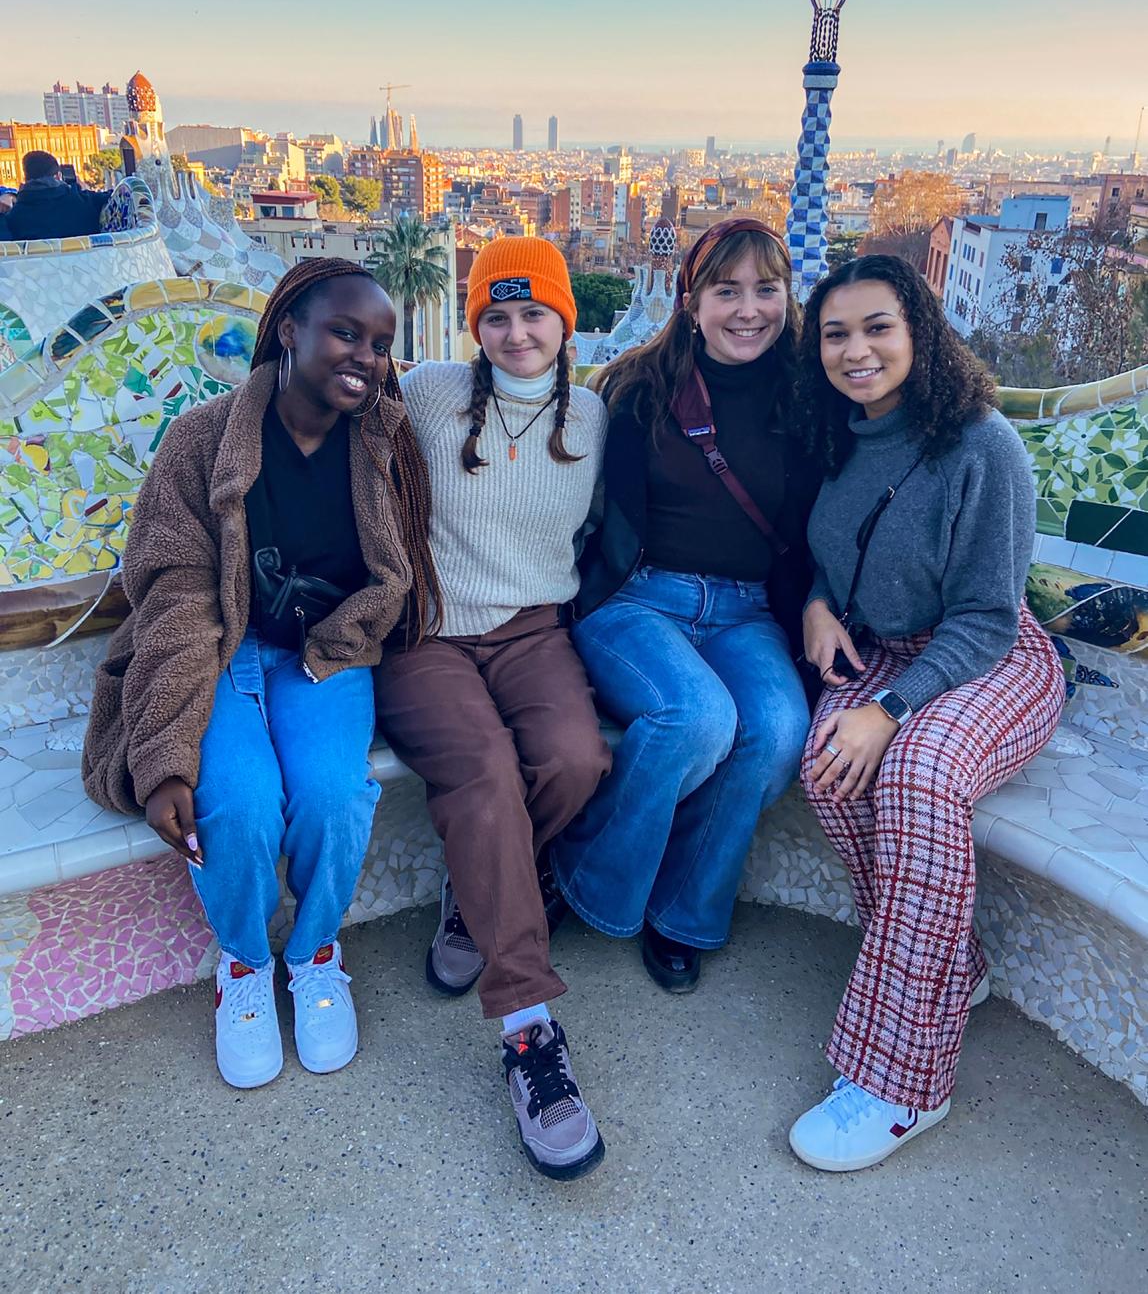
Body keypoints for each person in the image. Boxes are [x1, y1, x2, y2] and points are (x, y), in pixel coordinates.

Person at [82, 258, 439, 1090]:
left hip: (329, 654)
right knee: (234, 803)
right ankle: (244, 966)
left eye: (382, 343)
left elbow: (398, 570)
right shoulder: (204, 440)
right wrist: (164, 752)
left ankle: (314, 953)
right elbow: (172, 589)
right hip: (225, 646)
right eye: (345, 332)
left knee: (332, 797)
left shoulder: (383, 442)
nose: (365, 356)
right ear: (289, 330)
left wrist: (349, 634)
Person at [788, 255, 1064, 1172]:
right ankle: (948, 973)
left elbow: (988, 616)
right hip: (890, 650)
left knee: (917, 772)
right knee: (827, 769)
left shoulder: (980, 446)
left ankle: (905, 1080)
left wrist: (893, 712)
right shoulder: (837, 434)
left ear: (919, 334)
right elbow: (834, 554)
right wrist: (818, 602)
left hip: (990, 659)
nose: (856, 350)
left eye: (878, 328)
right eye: (835, 333)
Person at [375, 237, 611, 1182]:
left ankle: (477, 902)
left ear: (565, 321)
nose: (517, 332)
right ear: (476, 325)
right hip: (427, 634)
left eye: (535, 313)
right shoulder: (430, 391)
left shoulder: (594, 414)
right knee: (482, 772)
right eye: (497, 315)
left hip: (533, 630)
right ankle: (528, 1030)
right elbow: (328, 387)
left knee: (576, 761)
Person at [551, 217, 814, 993]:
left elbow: (828, 522)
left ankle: (684, 911)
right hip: (638, 600)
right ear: (690, 300)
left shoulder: (809, 396)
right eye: (726, 291)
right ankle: (584, 877)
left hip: (747, 610)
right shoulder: (637, 385)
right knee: (697, 718)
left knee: (775, 731)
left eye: (766, 290)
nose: (748, 310)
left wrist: (823, 604)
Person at [0, 151, 110, 240]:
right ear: (58, 177)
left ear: (26, 179)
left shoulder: (13, 218)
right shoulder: (84, 201)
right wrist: (84, 191)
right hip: (89, 265)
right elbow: (119, 194)